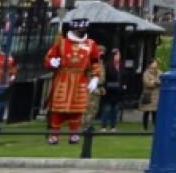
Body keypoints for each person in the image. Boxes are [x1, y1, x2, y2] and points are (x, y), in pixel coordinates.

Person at [44, 17, 101, 145]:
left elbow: (95, 62)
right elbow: (49, 57)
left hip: (80, 79)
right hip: (63, 78)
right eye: (80, 28)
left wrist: (95, 77)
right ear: (74, 28)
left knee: (77, 109)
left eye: (84, 28)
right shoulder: (61, 42)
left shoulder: (91, 44)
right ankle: (54, 136)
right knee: (58, 108)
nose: (82, 30)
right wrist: (52, 62)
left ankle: (74, 134)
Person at [99, 48, 124, 132]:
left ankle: (113, 126)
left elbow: (123, 77)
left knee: (115, 110)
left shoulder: (121, 66)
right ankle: (103, 126)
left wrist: (123, 85)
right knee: (107, 109)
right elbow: (105, 77)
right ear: (113, 56)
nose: (118, 56)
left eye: (119, 55)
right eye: (117, 55)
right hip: (109, 90)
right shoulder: (107, 65)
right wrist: (103, 87)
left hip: (118, 91)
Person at [0, 49, 16, 123]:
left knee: (2, 100)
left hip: (3, 83)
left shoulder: (10, 59)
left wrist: (12, 76)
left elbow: (13, 69)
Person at [139, 58, 160, 131]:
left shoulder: (159, 72)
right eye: (154, 62)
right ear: (150, 64)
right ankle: (145, 128)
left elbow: (162, 81)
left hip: (157, 96)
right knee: (146, 112)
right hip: (148, 96)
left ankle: (156, 128)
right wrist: (155, 83)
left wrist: (154, 81)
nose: (156, 64)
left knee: (155, 113)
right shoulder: (146, 73)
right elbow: (147, 83)